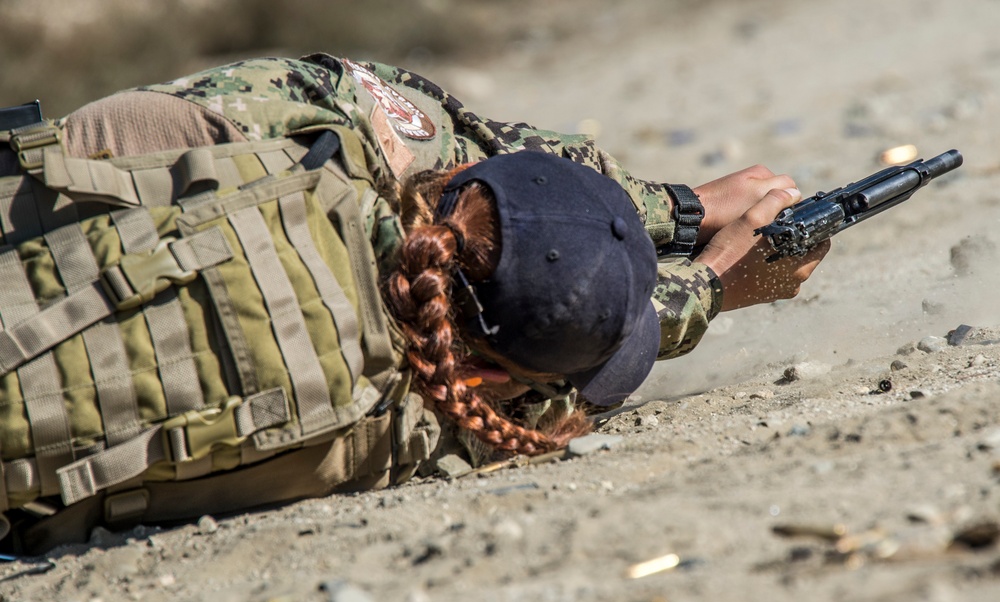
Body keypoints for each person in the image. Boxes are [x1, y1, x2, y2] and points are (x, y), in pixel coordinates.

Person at [6, 53, 828, 465]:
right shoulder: (375, 425)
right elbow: (517, 419)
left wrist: (669, 208)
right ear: (494, 379)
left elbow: (433, 127)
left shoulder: (266, 140)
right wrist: (712, 287)